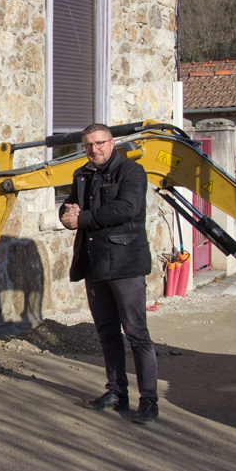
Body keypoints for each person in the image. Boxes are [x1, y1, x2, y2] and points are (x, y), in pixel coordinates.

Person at [59, 124, 159, 425]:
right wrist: (64, 216)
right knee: (107, 334)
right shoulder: (82, 174)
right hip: (94, 264)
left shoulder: (131, 171)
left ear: (111, 142)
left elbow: (127, 208)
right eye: (88, 145)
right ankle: (117, 391)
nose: (94, 150)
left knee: (137, 334)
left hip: (125, 263)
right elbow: (70, 207)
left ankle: (149, 400)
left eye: (99, 143)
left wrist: (83, 218)